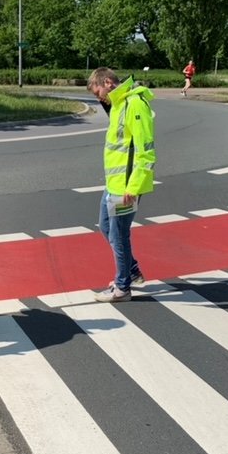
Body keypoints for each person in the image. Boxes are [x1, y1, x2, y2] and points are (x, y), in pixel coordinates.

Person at [87, 67, 156, 302]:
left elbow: (145, 150)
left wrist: (133, 187)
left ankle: (122, 287)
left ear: (108, 82)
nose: (99, 98)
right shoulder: (118, 104)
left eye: (99, 92)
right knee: (106, 228)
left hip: (127, 185)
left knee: (119, 234)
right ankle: (132, 269)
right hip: (114, 184)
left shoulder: (134, 104)